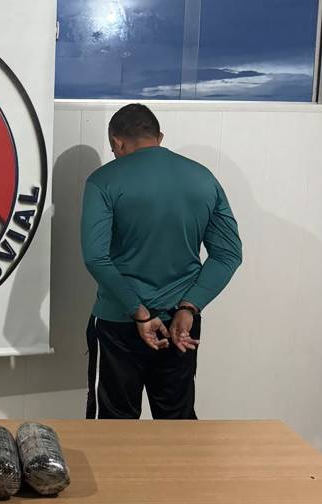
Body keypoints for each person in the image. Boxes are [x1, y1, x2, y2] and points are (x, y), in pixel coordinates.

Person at [81, 104, 242, 420]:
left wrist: (140, 313)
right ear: (160, 137)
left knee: (112, 426)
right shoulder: (203, 178)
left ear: (117, 142)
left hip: (119, 322)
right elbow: (228, 254)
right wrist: (189, 307)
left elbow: (96, 258)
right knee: (177, 421)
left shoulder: (103, 180)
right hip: (180, 324)